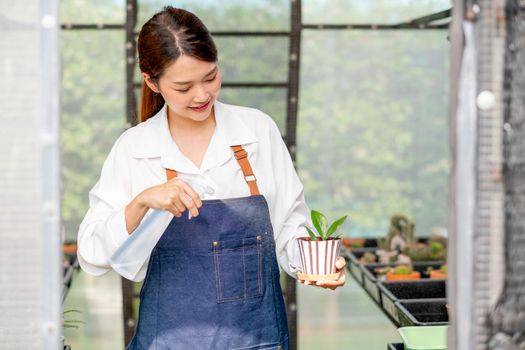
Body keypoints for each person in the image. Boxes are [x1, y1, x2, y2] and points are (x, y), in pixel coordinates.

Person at [77, 6, 346, 350]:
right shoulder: (135, 148)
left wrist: (314, 266)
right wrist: (142, 201)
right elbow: (93, 254)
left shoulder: (256, 131)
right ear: (151, 82)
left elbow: (290, 226)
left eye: (210, 77)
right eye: (184, 86)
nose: (202, 95)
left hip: (258, 341)